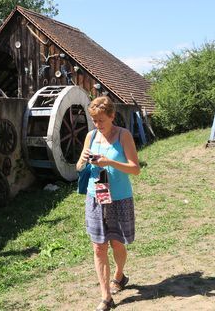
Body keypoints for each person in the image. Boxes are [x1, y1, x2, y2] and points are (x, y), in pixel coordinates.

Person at [76, 97, 140, 311]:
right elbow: (78, 167)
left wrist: (109, 162)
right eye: (94, 120)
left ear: (112, 116)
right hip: (97, 196)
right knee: (98, 247)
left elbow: (135, 168)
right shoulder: (90, 136)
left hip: (119, 197)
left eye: (101, 120)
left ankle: (120, 276)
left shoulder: (124, 135)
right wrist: (82, 159)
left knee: (117, 243)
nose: (97, 125)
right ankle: (106, 297)